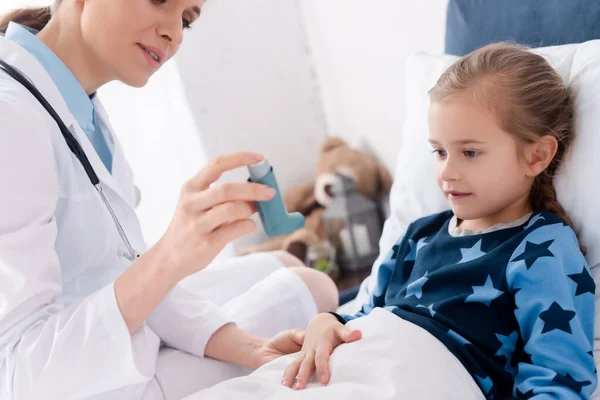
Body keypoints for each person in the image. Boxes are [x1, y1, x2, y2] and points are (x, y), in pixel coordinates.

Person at [0, 1, 339, 399]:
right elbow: (18, 376)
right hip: (79, 378)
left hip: (108, 328)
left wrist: (248, 347)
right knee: (312, 288)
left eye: (186, 20)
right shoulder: (11, 120)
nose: (174, 34)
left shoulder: (78, 102)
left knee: (286, 264)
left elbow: (117, 263)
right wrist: (169, 258)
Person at [282, 43, 597, 399]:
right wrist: (328, 322)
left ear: (536, 155)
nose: (447, 171)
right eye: (440, 152)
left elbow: (560, 380)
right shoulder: (419, 235)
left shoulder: (540, 247)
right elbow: (368, 314)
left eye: (470, 152)